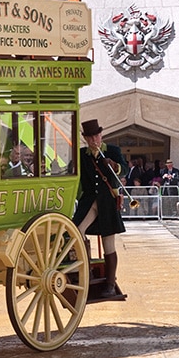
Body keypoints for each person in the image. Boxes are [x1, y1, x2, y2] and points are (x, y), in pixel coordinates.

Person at [72, 118, 126, 300]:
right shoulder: (81, 154)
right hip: (89, 201)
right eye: (90, 137)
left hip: (107, 202)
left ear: (101, 135)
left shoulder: (112, 151)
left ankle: (110, 284)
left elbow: (124, 169)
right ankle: (87, 272)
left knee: (108, 242)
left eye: (97, 135)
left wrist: (114, 166)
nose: (94, 139)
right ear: (85, 138)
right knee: (77, 231)